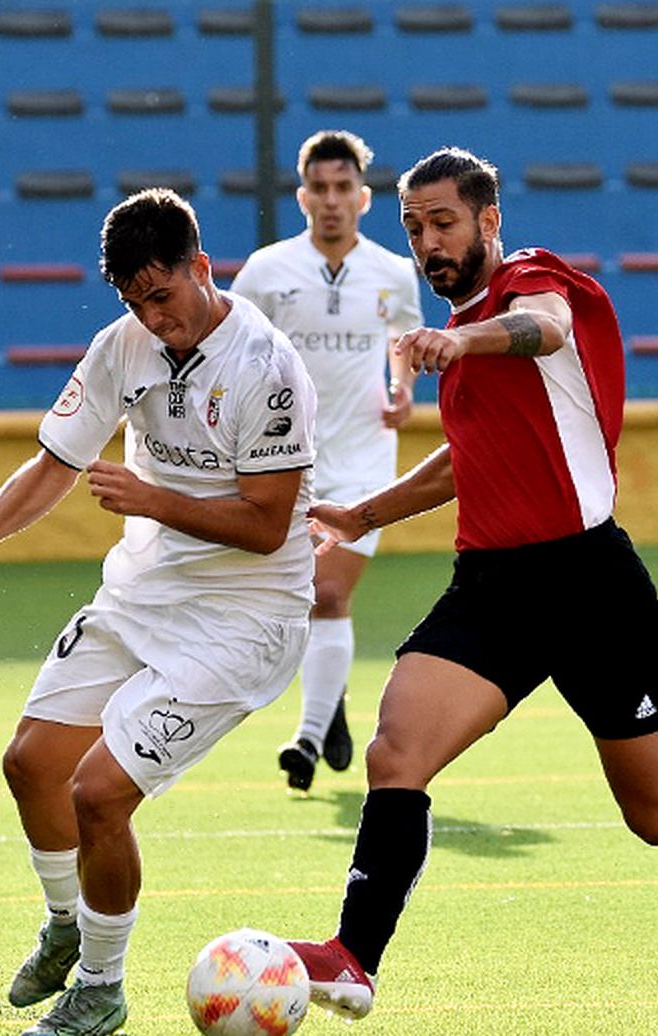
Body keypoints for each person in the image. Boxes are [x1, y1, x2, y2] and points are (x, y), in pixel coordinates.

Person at [280, 147, 658, 1021]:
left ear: (488, 222)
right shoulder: (463, 333)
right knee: (398, 751)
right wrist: (366, 515)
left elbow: (543, 328)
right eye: (413, 228)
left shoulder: (532, 283)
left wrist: (458, 337)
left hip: (592, 585)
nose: (429, 243)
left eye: (443, 223)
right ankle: (355, 955)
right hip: (494, 589)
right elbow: (462, 462)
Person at [0, 187, 316, 1036]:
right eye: (135, 302)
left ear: (203, 268)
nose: (151, 318)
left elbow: (270, 527)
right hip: (141, 595)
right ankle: (67, 925)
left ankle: (101, 986)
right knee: (30, 764)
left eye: (162, 296)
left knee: (97, 793)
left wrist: (153, 499)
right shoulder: (121, 346)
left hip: (244, 618)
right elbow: (55, 462)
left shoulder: (267, 366)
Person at [229, 130, 423, 793]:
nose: (333, 201)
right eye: (322, 189)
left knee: (329, 592)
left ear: (364, 199)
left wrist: (403, 389)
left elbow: (403, 339)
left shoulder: (394, 274)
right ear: (302, 195)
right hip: (287, 460)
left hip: (366, 457)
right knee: (295, 601)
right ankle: (329, 700)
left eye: (345, 189)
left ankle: (307, 742)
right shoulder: (265, 272)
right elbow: (235, 350)